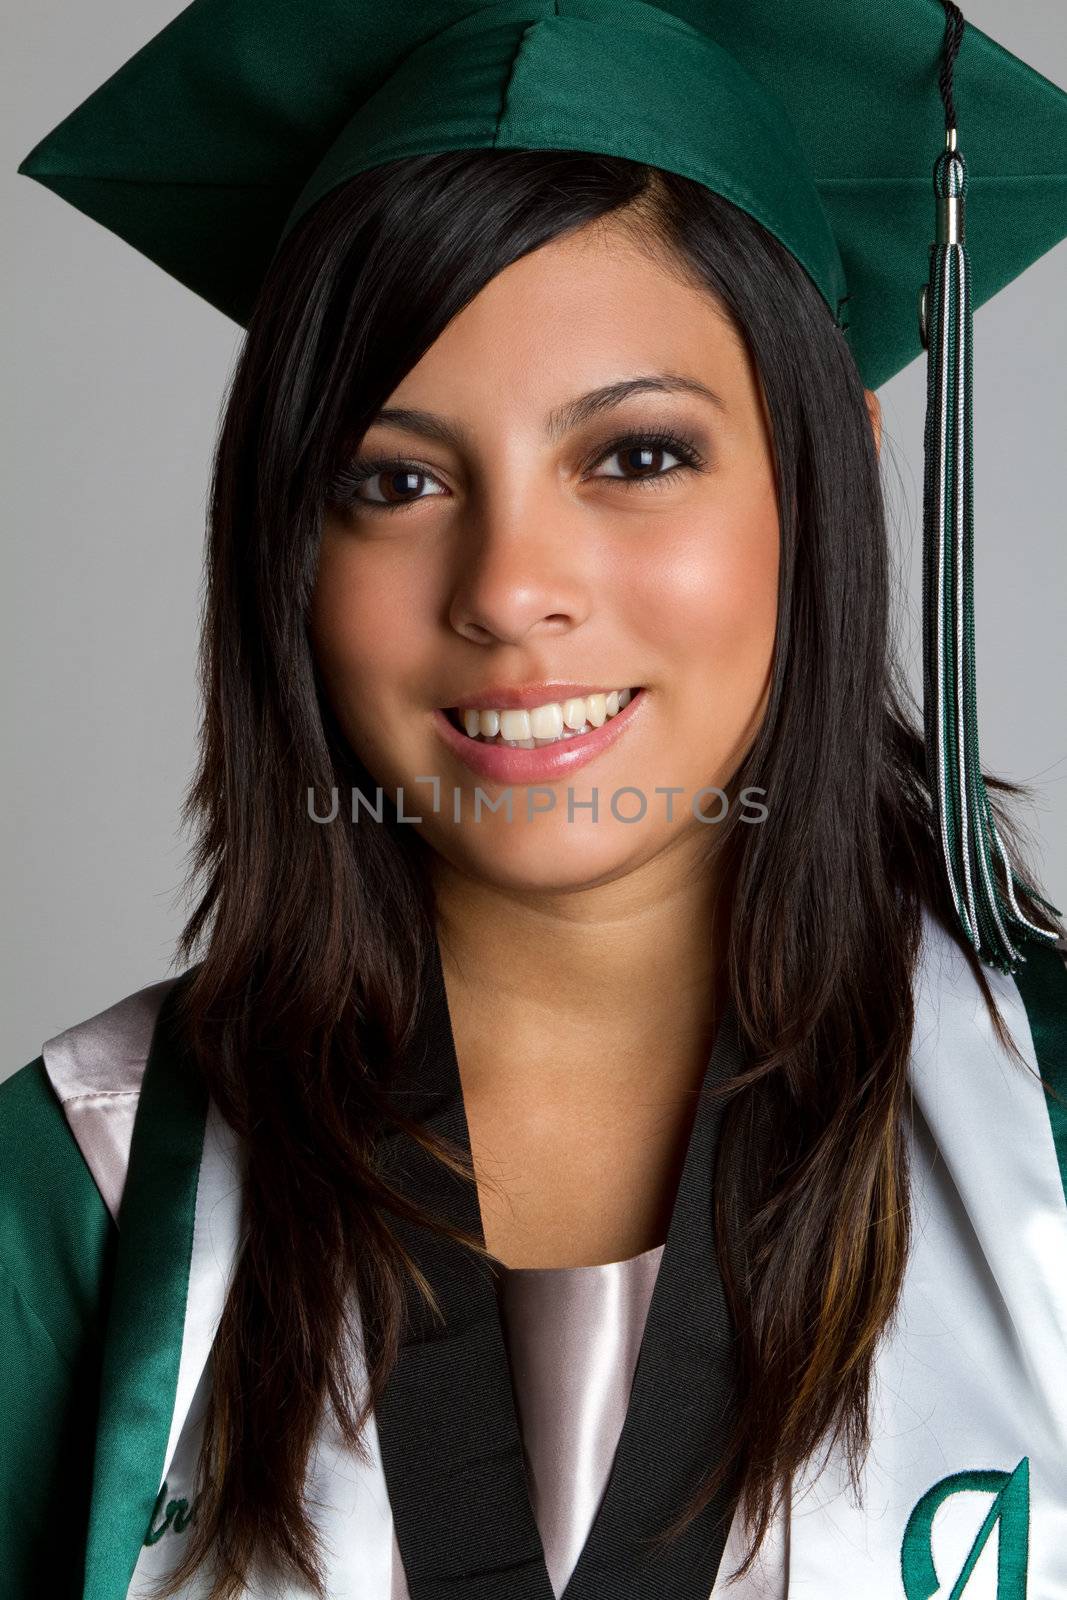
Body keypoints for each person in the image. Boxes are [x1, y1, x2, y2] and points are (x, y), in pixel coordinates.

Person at [5, 3, 1067, 1598]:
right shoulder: (78, 1200)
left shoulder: (1047, 1144)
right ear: (287, 546)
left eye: (637, 457)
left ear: (825, 467)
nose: (507, 590)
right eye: (394, 479)